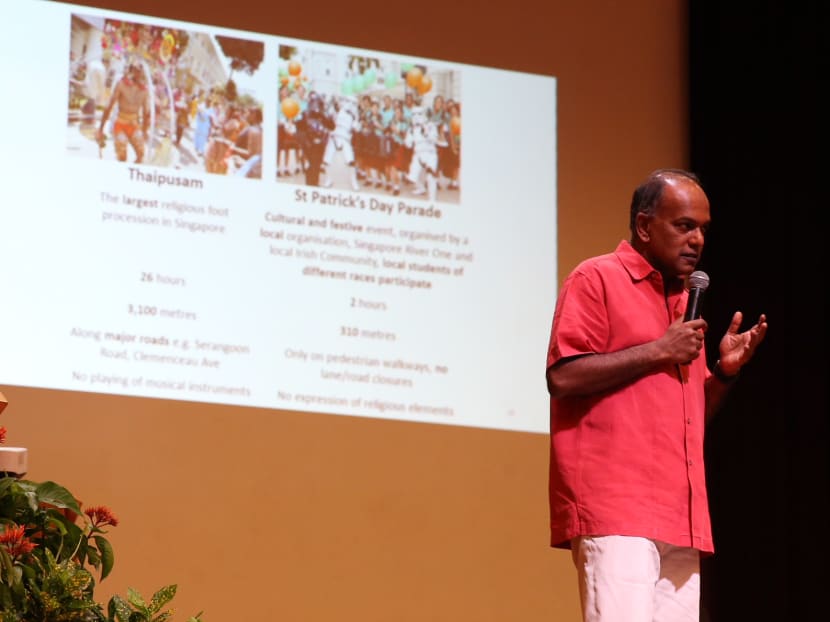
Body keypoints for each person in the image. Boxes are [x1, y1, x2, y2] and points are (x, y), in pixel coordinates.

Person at [545, 169, 768, 622]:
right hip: (617, 509)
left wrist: (724, 374)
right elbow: (563, 377)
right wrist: (659, 350)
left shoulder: (685, 303)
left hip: (680, 515)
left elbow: (691, 413)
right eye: (684, 226)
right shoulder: (597, 278)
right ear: (645, 227)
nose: (697, 240)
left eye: (703, 229)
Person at [96, 62, 151, 163]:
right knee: (122, 155)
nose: (138, 73)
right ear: (131, 71)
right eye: (136, 70)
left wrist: (144, 131)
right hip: (120, 124)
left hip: (134, 125)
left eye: (140, 71)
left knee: (141, 154)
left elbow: (146, 113)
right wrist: (100, 129)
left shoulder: (144, 90)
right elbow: (109, 106)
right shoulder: (121, 84)